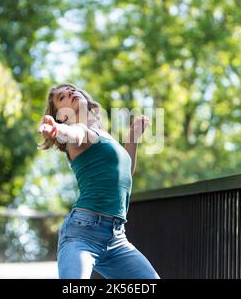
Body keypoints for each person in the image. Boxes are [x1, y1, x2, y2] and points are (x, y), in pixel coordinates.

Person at [37, 83, 160, 279]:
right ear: (62, 116)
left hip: (116, 238)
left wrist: (132, 137)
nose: (69, 92)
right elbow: (74, 133)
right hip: (82, 234)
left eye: (71, 89)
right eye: (61, 98)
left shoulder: (104, 136)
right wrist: (57, 130)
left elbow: (125, 172)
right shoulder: (78, 133)